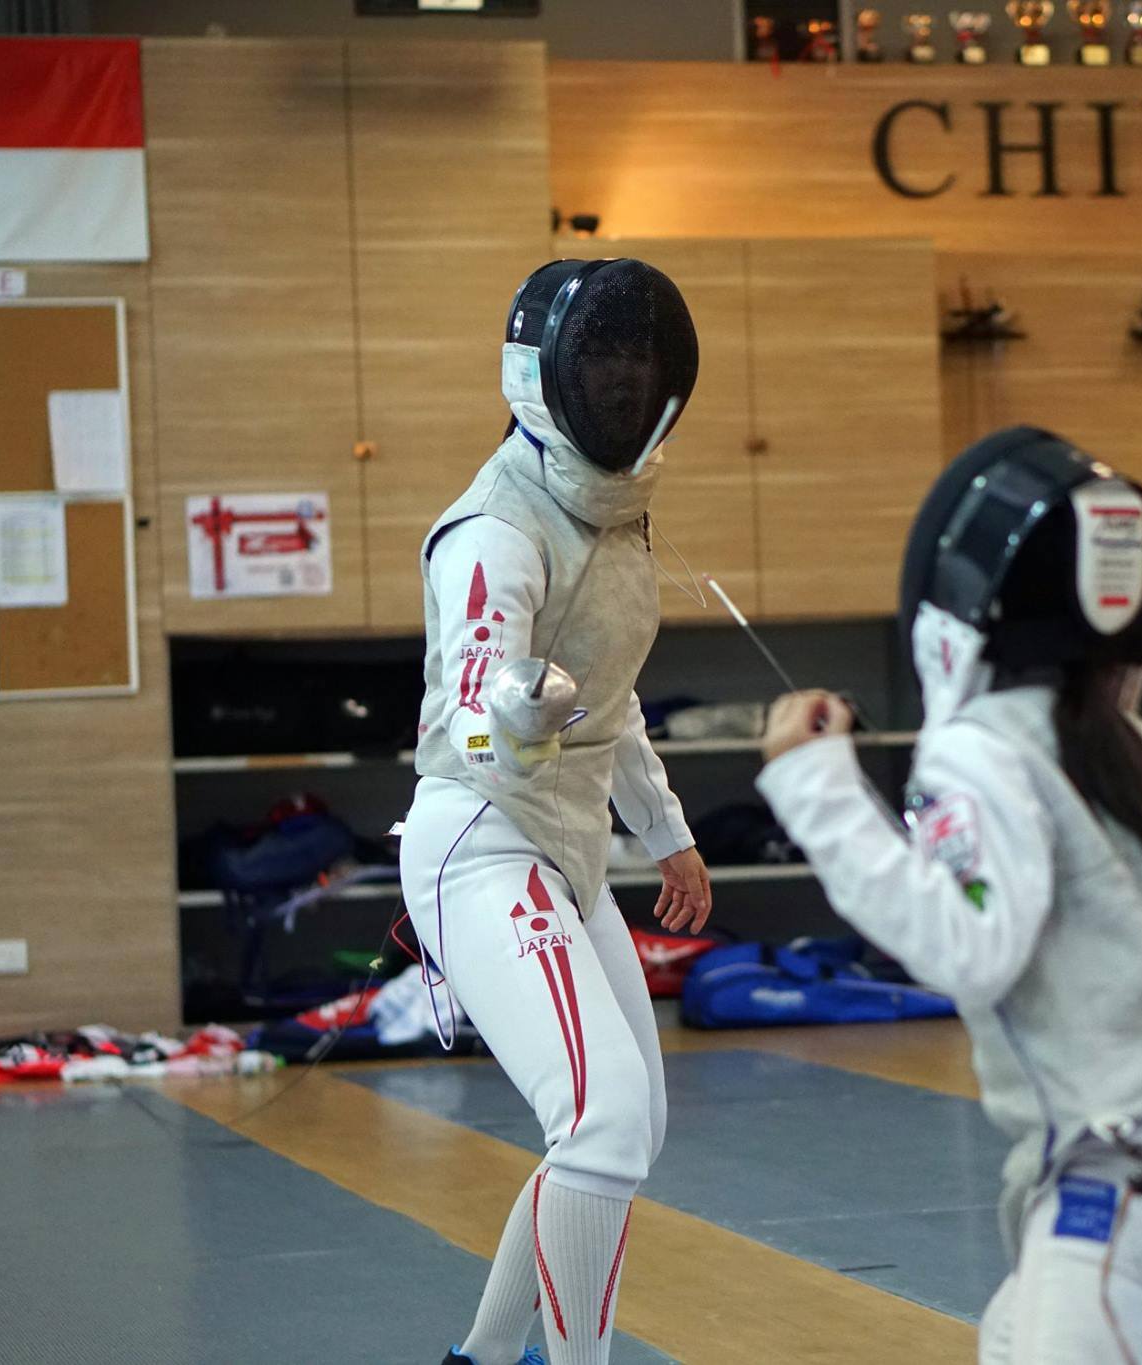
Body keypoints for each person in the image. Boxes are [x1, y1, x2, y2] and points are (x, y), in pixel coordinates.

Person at [753, 426, 1142, 1365]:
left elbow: (968, 946)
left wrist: (816, 785)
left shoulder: (983, 745)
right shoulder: (1129, 742)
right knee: (1008, 1340)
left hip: (1126, 1169)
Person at [401, 258, 712, 1365]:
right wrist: (517, 710)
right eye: (604, 367)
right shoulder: (493, 527)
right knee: (601, 1125)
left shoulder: (615, 517)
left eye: (639, 367)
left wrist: (665, 834)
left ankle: (480, 1362)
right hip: (482, 841)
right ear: (548, 377)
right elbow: (477, 700)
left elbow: (615, 705)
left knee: (631, 1128)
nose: (625, 389)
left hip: (568, 853)